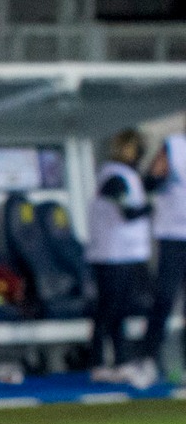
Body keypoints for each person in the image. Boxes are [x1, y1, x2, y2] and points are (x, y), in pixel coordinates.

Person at [86, 129, 153, 382]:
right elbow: (127, 212)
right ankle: (97, 362)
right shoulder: (114, 177)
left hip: (123, 255)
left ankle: (120, 360)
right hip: (110, 255)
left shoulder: (128, 176)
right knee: (107, 311)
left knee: (119, 312)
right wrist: (150, 207)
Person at [134, 126, 185, 389]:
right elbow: (149, 181)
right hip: (174, 236)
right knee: (164, 298)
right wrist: (160, 174)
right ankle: (147, 360)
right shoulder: (174, 146)